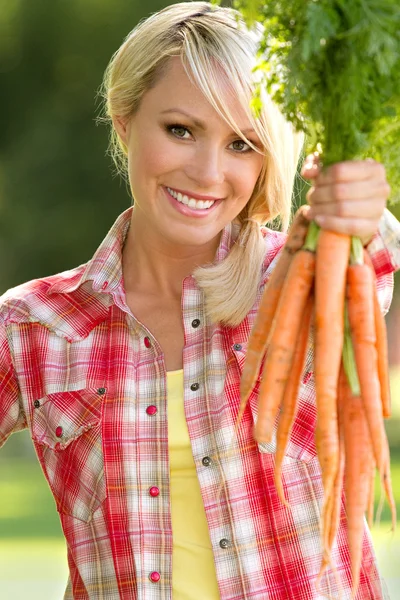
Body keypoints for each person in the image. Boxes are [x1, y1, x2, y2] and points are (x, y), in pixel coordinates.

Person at [0, 2, 399, 599]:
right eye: (180, 130)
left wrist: (362, 213)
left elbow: (377, 261)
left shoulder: (298, 276)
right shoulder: (34, 325)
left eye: (242, 144)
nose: (209, 172)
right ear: (124, 121)